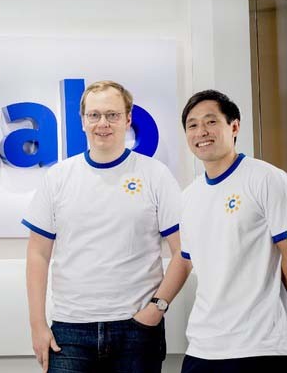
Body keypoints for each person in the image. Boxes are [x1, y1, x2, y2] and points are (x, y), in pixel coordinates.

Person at [24, 80, 192, 372]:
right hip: (70, 330)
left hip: (137, 329)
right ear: (83, 121)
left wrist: (157, 308)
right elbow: (38, 254)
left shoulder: (155, 175)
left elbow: (184, 251)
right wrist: (37, 325)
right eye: (94, 115)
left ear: (128, 119)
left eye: (112, 115)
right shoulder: (58, 177)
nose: (103, 123)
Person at [179, 90, 287, 372]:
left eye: (211, 121)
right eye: (192, 125)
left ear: (234, 126)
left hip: (258, 346)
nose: (201, 132)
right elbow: (188, 261)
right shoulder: (189, 196)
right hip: (202, 346)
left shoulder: (267, 179)